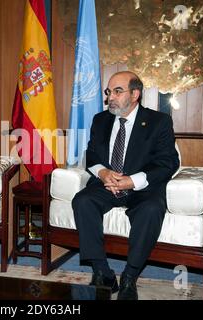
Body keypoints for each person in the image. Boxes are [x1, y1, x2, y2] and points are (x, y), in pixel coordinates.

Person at [72, 71, 179, 300]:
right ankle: (102, 272)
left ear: (135, 94)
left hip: (142, 187)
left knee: (151, 209)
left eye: (118, 91)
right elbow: (91, 155)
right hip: (108, 185)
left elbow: (168, 162)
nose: (111, 97)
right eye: (109, 92)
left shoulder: (158, 122)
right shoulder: (100, 120)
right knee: (82, 201)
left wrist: (133, 180)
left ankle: (130, 276)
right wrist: (103, 173)